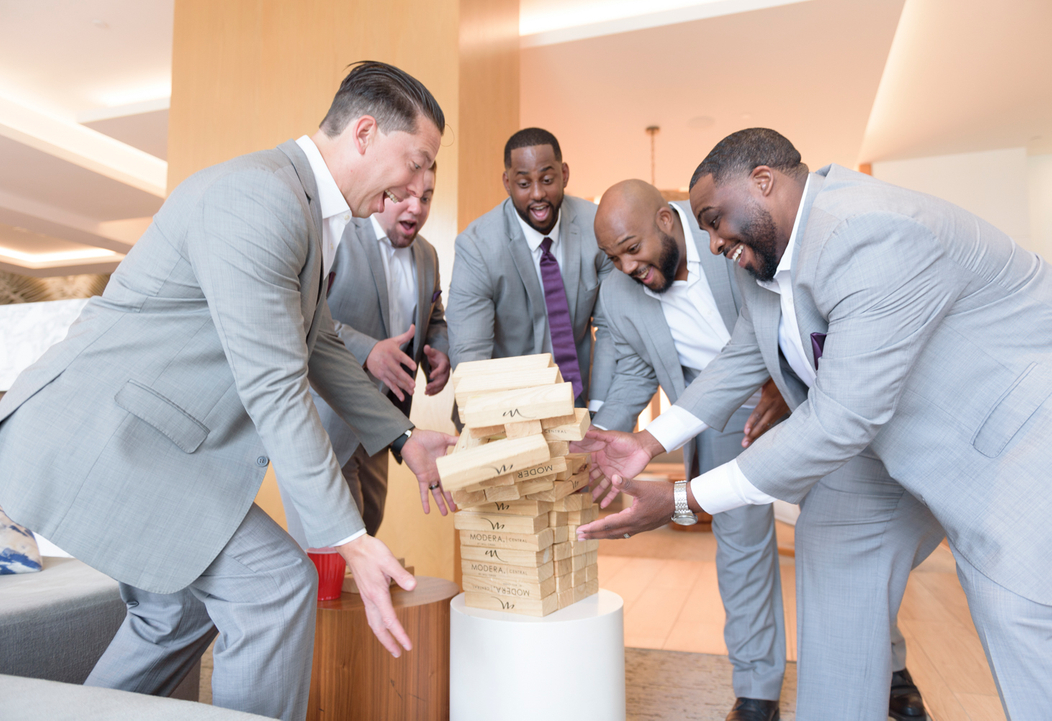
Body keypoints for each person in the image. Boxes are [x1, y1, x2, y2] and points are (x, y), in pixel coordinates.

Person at [0, 61, 456, 721]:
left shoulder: (301, 206)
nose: (421, 185)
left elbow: (320, 345)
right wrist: (347, 536)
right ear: (364, 134)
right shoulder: (260, 197)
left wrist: (405, 438)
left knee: (175, 612)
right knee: (273, 586)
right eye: (417, 162)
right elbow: (276, 383)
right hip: (105, 439)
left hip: (148, 449)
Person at [579, 127, 1052, 720]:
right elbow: (741, 357)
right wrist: (645, 441)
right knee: (834, 552)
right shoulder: (765, 263)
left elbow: (840, 418)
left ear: (763, 183)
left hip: (1021, 426)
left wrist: (685, 500)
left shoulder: (866, 230)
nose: (710, 243)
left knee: (1020, 615)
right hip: (887, 437)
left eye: (713, 220)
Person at [592, 179, 790, 721]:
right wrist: (599, 446)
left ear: (664, 219)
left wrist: (782, 378)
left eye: (631, 250)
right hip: (715, 411)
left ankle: (889, 669)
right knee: (741, 543)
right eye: (613, 257)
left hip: (795, 385)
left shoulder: (728, 228)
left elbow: (790, 304)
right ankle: (757, 691)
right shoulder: (618, 292)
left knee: (847, 530)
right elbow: (634, 374)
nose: (627, 267)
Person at [281, 161, 452, 547]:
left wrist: (438, 351)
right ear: (385, 192)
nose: (416, 208)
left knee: (367, 534)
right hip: (326, 421)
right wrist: (367, 349)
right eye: (406, 196)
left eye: (426, 198)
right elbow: (303, 316)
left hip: (384, 427)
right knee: (328, 553)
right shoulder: (338, 236)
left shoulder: (428, 255)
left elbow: (434, 315)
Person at [448, 127, 614, 405]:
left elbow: (612, 330)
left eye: (547, 179)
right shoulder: (477, 247)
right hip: (502, 404)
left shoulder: (598, 227)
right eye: (524, 184)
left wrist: (599, 411)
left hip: (580, 401)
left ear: (564, 174)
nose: (538, 194)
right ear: (507, 182)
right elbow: (470, 355)